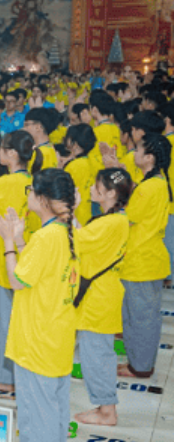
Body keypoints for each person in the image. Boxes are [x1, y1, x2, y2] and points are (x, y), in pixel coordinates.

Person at [0, 169, 79, 442]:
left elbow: (17, 280)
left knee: (37, 417)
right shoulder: (65, 231)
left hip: (37, 339)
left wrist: (6, 240)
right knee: (54, 411)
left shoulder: (46, 237)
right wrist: (18, 238)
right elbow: (38, 268)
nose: (27, 194)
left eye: (31, 190)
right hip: (57, 335)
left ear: (42, 199)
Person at [72, 168, 131, 427]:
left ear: (110, 193)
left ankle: (107, 411)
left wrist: (68, 211)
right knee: (97, 354)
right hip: (100, 294)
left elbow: (75, 239)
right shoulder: (112, 219)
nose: (92, 188)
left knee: (96, 356)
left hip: (99, 297)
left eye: (97, 186)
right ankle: (105, 406)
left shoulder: (111, 222)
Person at [0, 130, 36, 395]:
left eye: (2, 148)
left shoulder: (6, 184)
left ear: (12, 154)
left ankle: (3, 378)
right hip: (30, 255)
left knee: (1, 322)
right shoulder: (31, 181)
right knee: (19, 319)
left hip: (7, 259)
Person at [117, 133, 171, 378]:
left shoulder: (150, 187)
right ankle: (137, 362)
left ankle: (140, 367)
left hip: (142, 260)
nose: (133, 152)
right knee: (139, 315)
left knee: (141, 318)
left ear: (149, 158)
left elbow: (127, 217)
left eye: (137, 149)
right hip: (144, 258)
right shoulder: (154, 181)